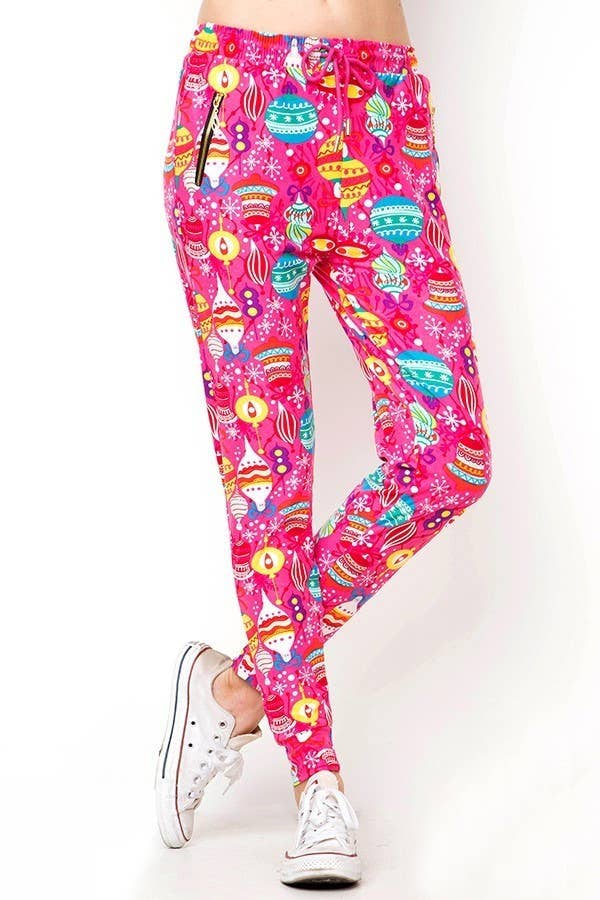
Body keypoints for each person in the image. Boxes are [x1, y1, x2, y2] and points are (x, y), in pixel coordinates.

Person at [155, 0, 493, 886]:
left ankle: (237, 688)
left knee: (449, 456)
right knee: (268, 476)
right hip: (242, 105)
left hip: (381, 113)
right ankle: (317, 784)